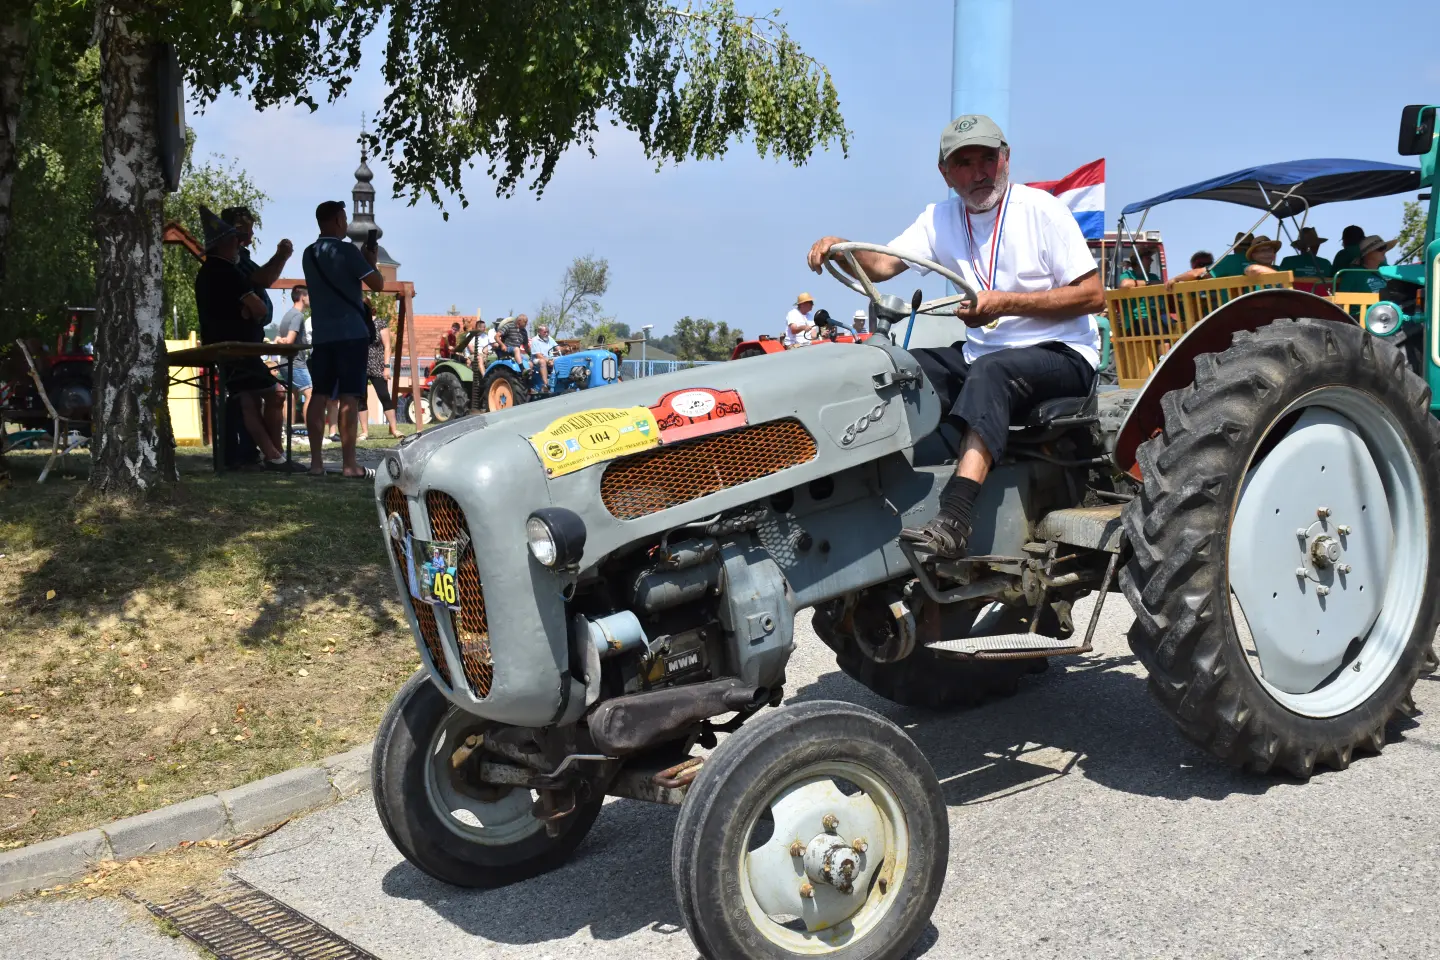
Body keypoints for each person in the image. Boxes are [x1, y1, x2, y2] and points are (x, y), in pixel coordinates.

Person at [807, 114, 1103, 559]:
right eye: (964, 163)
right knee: (895, 369)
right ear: (945, 173)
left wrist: (1002, 303)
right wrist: (840, 247)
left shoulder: (1042, 211)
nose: (979, 171)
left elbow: (1093, 295)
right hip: (984, 353)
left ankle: (956, 516)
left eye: (988, 158)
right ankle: (864, 495)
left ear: (1006, 159)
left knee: (990, 371)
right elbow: (883, 265)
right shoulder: (939, 219)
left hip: (1062, 355)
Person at [193, 206, 302, 472]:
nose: (240, 242)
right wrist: (248, 309)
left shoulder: (212, 270)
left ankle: (269, 455)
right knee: (274, 394)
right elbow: (260, 307)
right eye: (235, 238)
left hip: (233, 346)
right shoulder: (228, 271)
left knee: (248, 398)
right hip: (235, 348)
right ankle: (274, 456)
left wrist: (247, 310)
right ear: (224, 243)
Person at [301, 199, 385, 479]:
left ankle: (316, 463)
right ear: (338, 220)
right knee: (349, 396)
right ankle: (350, 465)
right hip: (351, 334)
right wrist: (370, 263)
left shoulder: (309, 254)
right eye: (344, 217)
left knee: (319, 395)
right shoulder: (348, 251)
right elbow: (377, 284)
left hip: (323, 336)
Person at [359, 307, 403, 441]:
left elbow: (388, 346)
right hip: (360, 366)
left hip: (378, 366)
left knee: (384, 395)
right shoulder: (358, 323)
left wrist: (387, 367)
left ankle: (394, 429)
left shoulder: (380, 323)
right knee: (361, 399)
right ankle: (364, 432)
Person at [274, 286, 312, 422]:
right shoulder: (298, 315)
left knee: (292, 396)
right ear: (303, 297)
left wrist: (282, 340)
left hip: (284, 362)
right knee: (310, 395)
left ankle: (289, 430)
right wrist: (286, 340)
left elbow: (277, 339)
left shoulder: (287, 315)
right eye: (309, 296)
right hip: (296, 363)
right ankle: (310, 432)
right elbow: (290, 340)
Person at [530, 323, 560, 389]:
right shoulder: (535, 340)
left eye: (547, 332)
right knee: (542, 362)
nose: (546, 334)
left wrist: (561, 350)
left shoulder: (549, 338)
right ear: (539, 332)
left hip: (550, 357)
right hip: (537, 359)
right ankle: (546, 384)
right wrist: (548, 361)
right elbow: (538, 355)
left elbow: (557, 347)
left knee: (561, 359)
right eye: (544, 332)